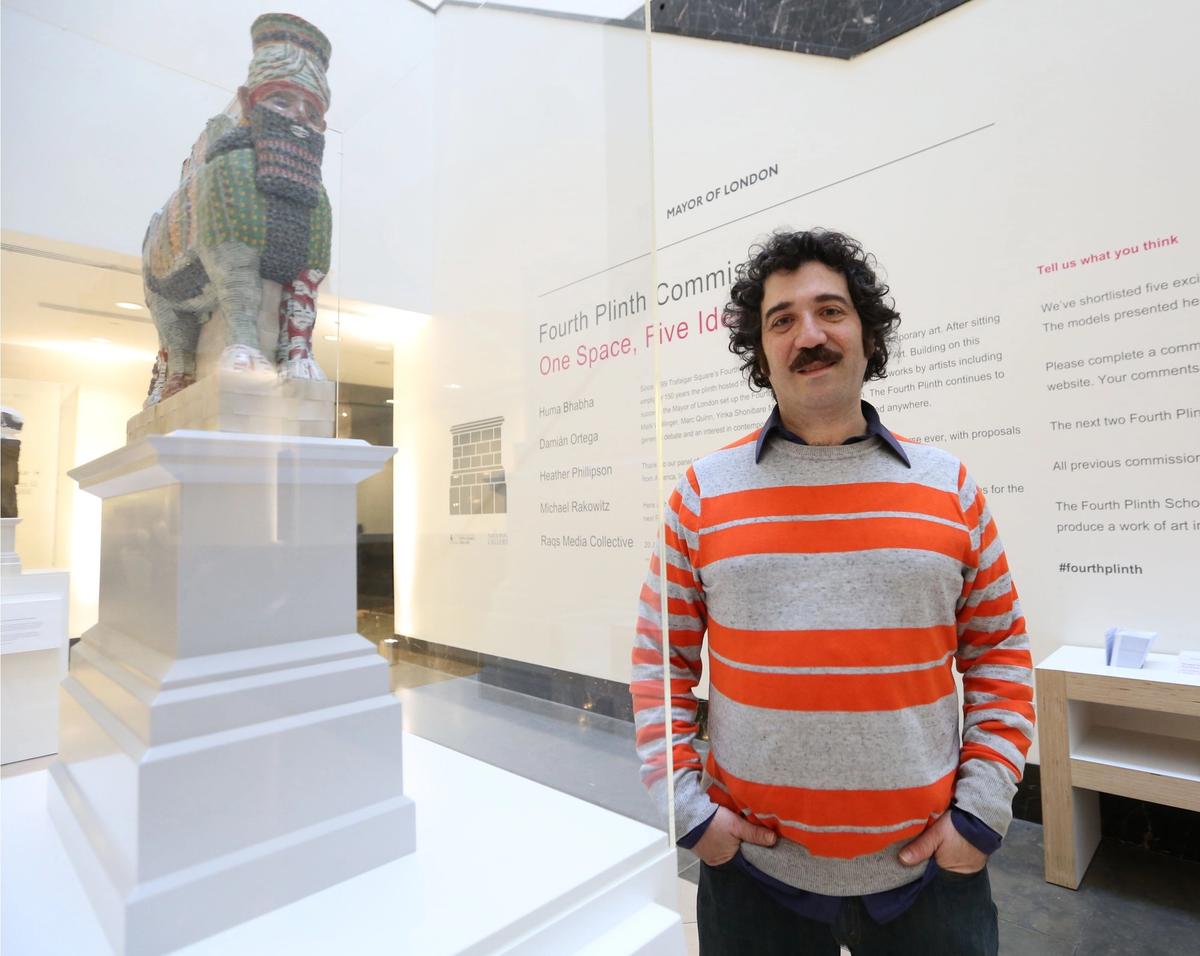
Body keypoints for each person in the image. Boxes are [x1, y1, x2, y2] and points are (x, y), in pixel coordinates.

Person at [631, 229, 1034, 954]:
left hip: (931, 878)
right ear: (761, 354)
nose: (808, 335)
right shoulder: (701, 493)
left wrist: (976, 821)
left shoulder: (949, 488)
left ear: (868, 334)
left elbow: (1000, 654)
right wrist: (691, 816)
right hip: (754, 879)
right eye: (781, 320)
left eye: (830, 311)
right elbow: (658, 663)